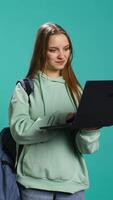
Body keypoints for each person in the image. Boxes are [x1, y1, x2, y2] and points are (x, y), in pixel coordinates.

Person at [9, 22, 100, 200]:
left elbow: (86, 148)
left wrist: (90, 129)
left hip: (72, 185)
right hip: (33, 183)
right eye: (53, 50)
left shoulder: (77, 90)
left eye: (66, 48)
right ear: (41, 51)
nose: (62, 55)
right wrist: (60, 118)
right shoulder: (25, 88)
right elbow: (19, 132)